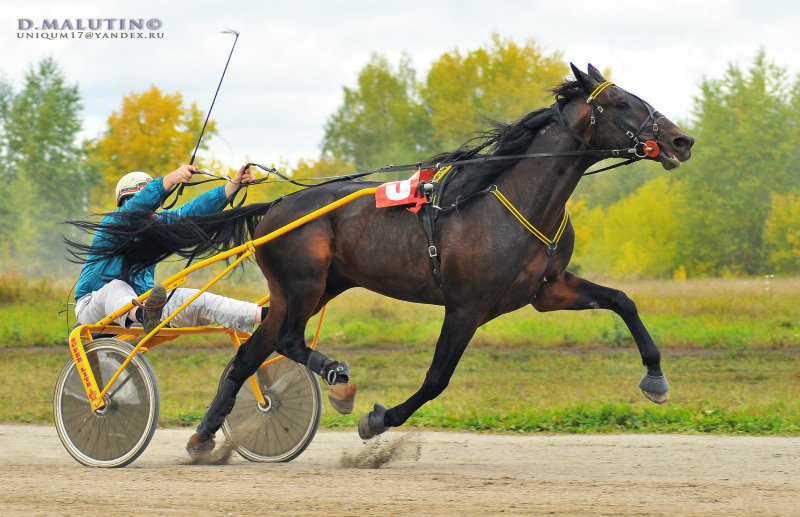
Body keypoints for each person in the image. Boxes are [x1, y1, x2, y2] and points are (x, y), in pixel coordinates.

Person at [74, 164, 264, 334]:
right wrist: (170, 180)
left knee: (195, 298)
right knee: (117, 286)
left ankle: (268, 316)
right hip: (93, 306)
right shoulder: (113, 222)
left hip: (146, 305)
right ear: (126, 203)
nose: (154, 209)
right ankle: (143, 314)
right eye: (150, 203)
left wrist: (233, 185)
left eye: (157, 204)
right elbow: (139, 205)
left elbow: (193, 210)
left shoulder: (159, 223)